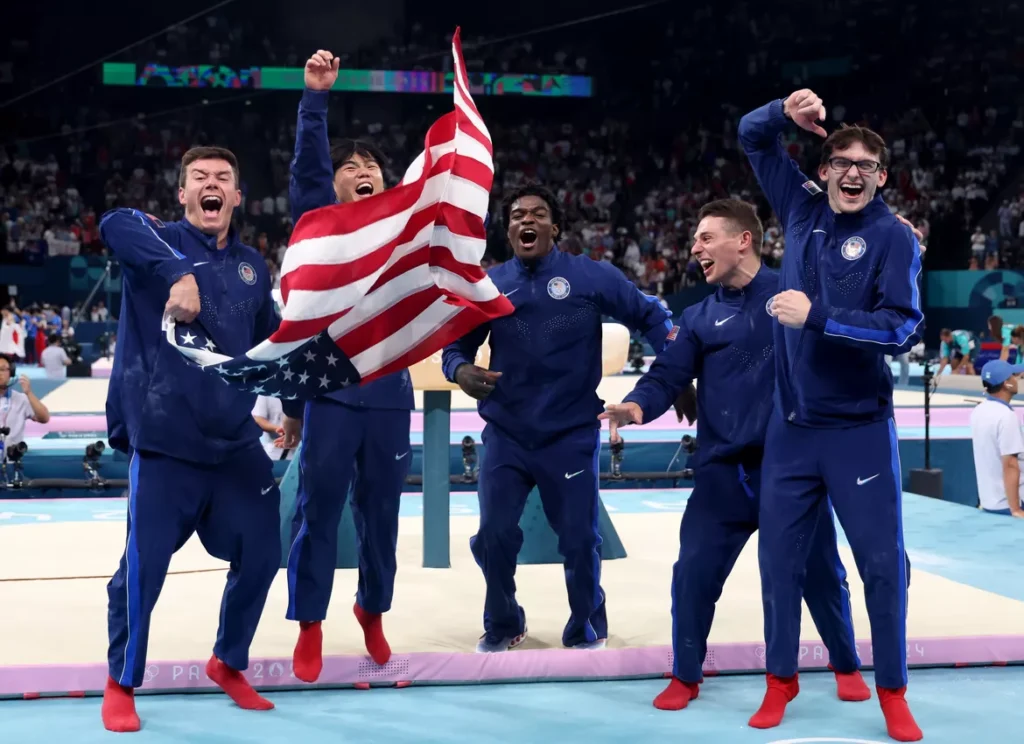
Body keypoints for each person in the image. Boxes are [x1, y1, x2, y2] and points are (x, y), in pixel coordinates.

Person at [600, 198, 869, 711]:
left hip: (792, 473)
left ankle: (845, 662)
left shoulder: (797, 297)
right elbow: (668, 376)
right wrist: (635, 406)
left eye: (705, 237)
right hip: (722, 475)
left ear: (742, 240)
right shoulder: (699, 316)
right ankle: (685, 674)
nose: (694, 248)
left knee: (821, 574)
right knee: (693, 575)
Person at [739, 89, 924, 741]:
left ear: (881, 177)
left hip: (859, 433)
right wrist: (781, 113)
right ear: (821, 171)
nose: (851, 172)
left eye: (865, 165)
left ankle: (893, 690)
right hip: (791, 431)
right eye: (839, 160)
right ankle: (780, 680)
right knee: (779, 564)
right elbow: (750, 137)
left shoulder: (894, 239)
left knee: (880, 564)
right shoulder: (799, 209)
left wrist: (817, 315)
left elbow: (902, 328)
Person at [441, 183, 676, 652]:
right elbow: (456, 347)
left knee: (577, 538)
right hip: (507, 432)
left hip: (569, 433)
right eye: (517, 215)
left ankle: (585, 623)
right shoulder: (487, 284)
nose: (526, 220)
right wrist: (460, 370)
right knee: (492, 536)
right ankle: (505, 622)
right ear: (507, 230)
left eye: (538, 214)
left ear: (555, 228)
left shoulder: (590, 276)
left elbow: (652, 316)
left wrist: (673, 375)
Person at [99, 146, 282, 732]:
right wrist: (177, 272)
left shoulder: (255, 266)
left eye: (223, 179)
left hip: (232, 445)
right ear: (182, 195)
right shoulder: (155, 239)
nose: (211, 185)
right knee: (143, 568)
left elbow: (273, 343)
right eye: (199, 178)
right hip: (165, 443)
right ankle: (121, 681)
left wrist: (296, 406)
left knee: (264, 551)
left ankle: (228, 661)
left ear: (236, 197)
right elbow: (114, 222)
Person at [278, 49, 412, 682]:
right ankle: (310, 623)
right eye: (351, 166)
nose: (364, 171)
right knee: (319, 509)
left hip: (389, 393)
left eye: (373, 167)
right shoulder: (321, 224)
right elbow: (307, 169)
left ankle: (372, 609)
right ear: (334, 185)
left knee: (381, 514)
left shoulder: (406, 231)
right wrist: (314, 101)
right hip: (330, 390)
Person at [969, 360, 1024, 517]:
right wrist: (1015, 509)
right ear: (1007, 384)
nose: (1018, 378)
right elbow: (1010, 465)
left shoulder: (978, 411)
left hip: (988, 500)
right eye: (1014, 376)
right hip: (1009, 503)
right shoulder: (1006, 417)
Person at [0, 356, 50, 450]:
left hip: (11, 460)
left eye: (2, 369)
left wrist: (29, 393)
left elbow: (44, 418)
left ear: (11, 373)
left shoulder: (21, 399)